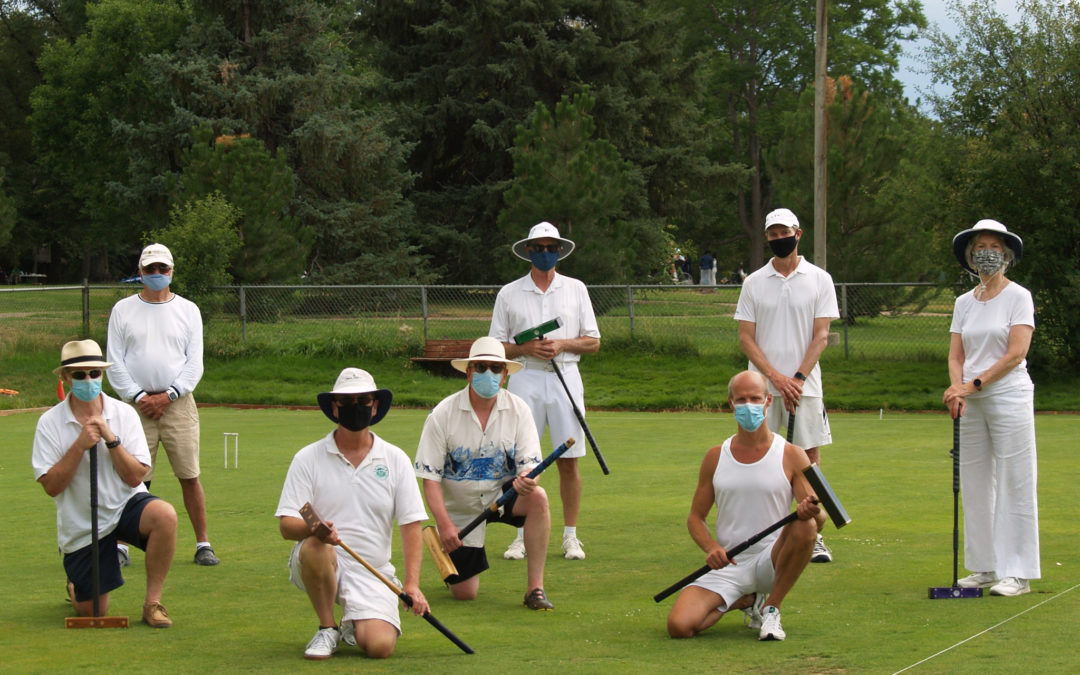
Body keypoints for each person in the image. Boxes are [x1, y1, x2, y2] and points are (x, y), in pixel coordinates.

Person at [276, 368, 429, 659]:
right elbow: (287, 524)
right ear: (334, 407)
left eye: (362, 400)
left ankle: (355, 624)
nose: (354, 407)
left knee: (379, 647)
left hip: (373, 570)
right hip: (320, 559)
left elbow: (411, 524)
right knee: (316, 546)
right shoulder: (307, 458)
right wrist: (315, 529)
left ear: (374, 406)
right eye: (346, 401)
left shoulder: (395, 459)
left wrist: (412, 584)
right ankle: (328, 628)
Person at [31, 340, 178, 627]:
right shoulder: (49, 422)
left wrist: (111, 440)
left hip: (125, 504)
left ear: (103, 375)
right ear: (65, 378)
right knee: (93, 611)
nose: (89, 380)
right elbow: (51, 487)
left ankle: (153, 604)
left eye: (94, 374)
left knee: (165, 515)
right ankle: (76, 587)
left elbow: (136, 476)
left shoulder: (123, 414)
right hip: (83, 523)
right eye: (79, 375)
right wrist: (79, 446)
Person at [666, 371, 821, 641]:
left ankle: (772, 607)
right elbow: (695, 518)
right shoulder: (715, 456)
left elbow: (818, 522)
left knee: (804, 524)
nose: (748, 405)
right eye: (741, 399)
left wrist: (812, 511)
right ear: (730, 403)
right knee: (679, 627)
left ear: (768, 401)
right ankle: (747, 601)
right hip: (730, 563)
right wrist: (712, 548)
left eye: (755, 398)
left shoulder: (792, 454)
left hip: (773, 560)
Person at [414, 337, 553, 610]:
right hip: (462, 509)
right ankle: (455, 563)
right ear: (468, 372)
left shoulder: (519, 410)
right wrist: (444, 526)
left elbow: (530, 465)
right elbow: (429, 479)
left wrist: (529, 480)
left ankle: (535, 589)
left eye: (495, 368)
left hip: (504, 495)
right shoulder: (442, 414)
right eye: (480, 367)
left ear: (504, 376)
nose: (487, 373)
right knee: (465, 593)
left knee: (538, 496)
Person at [490, 221, 601, 562]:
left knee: (569, 461)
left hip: (566, 375)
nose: (544, 253)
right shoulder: (509, 292)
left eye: (550, 247)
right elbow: (496, 345)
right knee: (522, 462)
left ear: (559, 251)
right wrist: (525, 350)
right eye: (538, 248)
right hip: (526, 378)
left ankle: (570, 536)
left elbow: (593, 341)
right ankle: (520, 536)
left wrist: (562, 344)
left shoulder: (576, 288)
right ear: (528, 251)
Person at [733, 208, 839, 563]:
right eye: (772, 234)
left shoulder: (820, 279)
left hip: (804, 386)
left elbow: (821, 336)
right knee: (756, 455)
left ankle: (814, 532)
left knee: (808, 459)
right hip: (760, 390)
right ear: (767, 238)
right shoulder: (754, 282)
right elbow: (746, 339)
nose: (779, 239)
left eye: (784, 232)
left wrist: (796, 378)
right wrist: (776, 378)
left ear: (798, 233)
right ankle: (758, 536)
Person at [106, 243, 219, 567]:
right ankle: (123, 545)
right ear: (140, 272)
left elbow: (194, 363)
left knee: (189, 475)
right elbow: (114, 362)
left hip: (178, 404)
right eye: (150, 269)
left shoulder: (188, 310)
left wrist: (168, 395)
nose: (156, 274)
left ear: (171, 272)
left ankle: (203, 544)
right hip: (134, 407)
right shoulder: (122, 311)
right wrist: (140, 397)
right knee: (133, 476)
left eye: (162, 269)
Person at [943, 219, 1038, 597]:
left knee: (1016, 478)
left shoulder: (1019, 297)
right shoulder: (963, 303)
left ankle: (1018, 572)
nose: (986, 253)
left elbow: (1017, 353)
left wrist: (974, 383)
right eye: (980, 247)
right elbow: (956, 354)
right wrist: (957, 389)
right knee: (976, 481)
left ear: (1006, 255)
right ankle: (985, 566)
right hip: (970, 401)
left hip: (1008, 395)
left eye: (994, 248)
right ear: (970, 255)